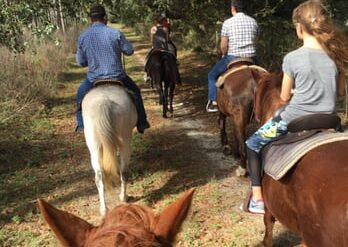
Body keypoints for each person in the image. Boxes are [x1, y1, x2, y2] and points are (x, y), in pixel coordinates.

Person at [244, 0, 348, 214]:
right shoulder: (335, 57)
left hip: (294, 119)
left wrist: (295, 93)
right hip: (329, 119)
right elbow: (339, 93)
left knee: (253, 143)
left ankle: (256, 199)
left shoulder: (292, 58)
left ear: (300, 28)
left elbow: (283, 96)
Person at [75, 4, 150, 134]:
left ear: (90, 19)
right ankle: (142, 122)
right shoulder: (115, 33)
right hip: (117, 77)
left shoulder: (83, 36)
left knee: (80, 95)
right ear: (105, 18)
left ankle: (81, 125)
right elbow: (129, 50)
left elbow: (81, 62)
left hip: (94, 79)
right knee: (136, 93)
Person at [206, 0, 258, 112]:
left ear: (233, 8)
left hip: (232, 57)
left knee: (211, 75)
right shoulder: (253, 22)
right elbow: (256, 40)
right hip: (251, 58)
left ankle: (214, 102)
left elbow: (224, 45)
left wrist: (224, 54)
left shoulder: (227, 23)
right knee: (265, 77)